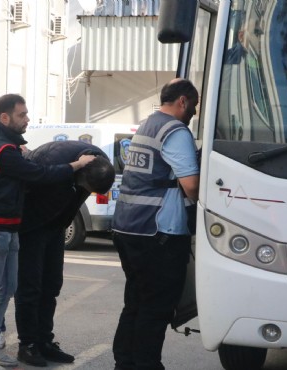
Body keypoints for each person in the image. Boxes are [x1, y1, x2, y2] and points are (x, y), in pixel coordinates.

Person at [0, 93, 96, 370]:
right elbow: (39, 175)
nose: (27, 119)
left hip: (7, 227)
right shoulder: (2, 149)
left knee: (5, 291)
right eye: (22, 115)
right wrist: (77, 165)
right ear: (5, 118)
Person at [111, 78, 200, 370]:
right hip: (159, 232)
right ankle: (147, 364)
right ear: (183, 101)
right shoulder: (175, 131)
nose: (195, 113)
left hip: (128, 227)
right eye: (194, 106)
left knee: (135, 301)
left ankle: (125, 362)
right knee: (156, 306)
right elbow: (191, 186)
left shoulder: (148, 125)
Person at [15, 140, 115, 367]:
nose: (85, 193)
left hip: (55, 227)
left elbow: (75, 196)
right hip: (31, 226)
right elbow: (28, 189)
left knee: (51, 285)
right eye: (85, 188)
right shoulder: (55, 161)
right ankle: (28, 345)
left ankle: (44, 341)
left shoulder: (100, 165)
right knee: (30, 287)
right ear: (79, 171)